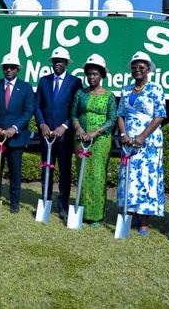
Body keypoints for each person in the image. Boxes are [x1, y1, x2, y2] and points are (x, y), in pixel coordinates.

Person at [116, 51, 167, 235]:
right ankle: (128, 216)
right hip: (128, 142)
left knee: (146, 179)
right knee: (129, 178)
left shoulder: (155, 89)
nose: (137, 70)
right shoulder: (126, 89)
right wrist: (124, 133)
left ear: (148, 69)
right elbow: (120, 114)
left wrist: (142, 137)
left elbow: (160, 115)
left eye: (141, 67)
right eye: (134, 67)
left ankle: (145, 221)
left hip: (149, 142)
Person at [34, 47, 83, 219]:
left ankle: (62, 205)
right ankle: (45, 202)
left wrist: (64, 126)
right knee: (46, 169)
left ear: (67, 63)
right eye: (55, 61)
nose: (58, 64)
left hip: (64, 135)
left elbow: (76, 109)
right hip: (46, 134)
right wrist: (42, 124)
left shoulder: (75, 82)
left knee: (64, 170)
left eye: (61, 61)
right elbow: (37, 105)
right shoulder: (44, 81)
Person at [0, 53, 35, 214]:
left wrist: (14, 127)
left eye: (12, 67)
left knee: (15, 171)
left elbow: (28, 112)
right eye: (6, 67)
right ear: (2, 69)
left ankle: (14, 202)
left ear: (18, 69)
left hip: (16, 138)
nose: (9, 70)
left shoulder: (26, 87)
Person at [71, 54, 117, 227]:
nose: (91, 77)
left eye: (95, 74)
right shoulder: (80, 93)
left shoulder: (109, 96)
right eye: (89, 74)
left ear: (102, 75)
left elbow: (112, 119)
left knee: (97, 176)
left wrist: (95, 133)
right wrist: (80, 129)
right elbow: (74, 114)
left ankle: (96, 216)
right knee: (82, 175)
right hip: (81, 139)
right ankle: (82, 211)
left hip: (100, 142)